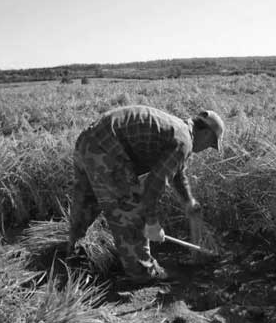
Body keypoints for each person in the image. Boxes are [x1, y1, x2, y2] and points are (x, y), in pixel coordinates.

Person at [69, 105, 224, 283]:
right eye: (211, 144)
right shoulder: (184, 141)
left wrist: (188, 201)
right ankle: (143, 271)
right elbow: (153, 185)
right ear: (206, 134)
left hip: (88, 141)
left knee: (86, 201)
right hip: (108, 150)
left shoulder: (178, 129)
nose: (206, 148)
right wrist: (151, 222)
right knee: (130, 211)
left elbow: (177, 172)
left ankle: (74, 256)